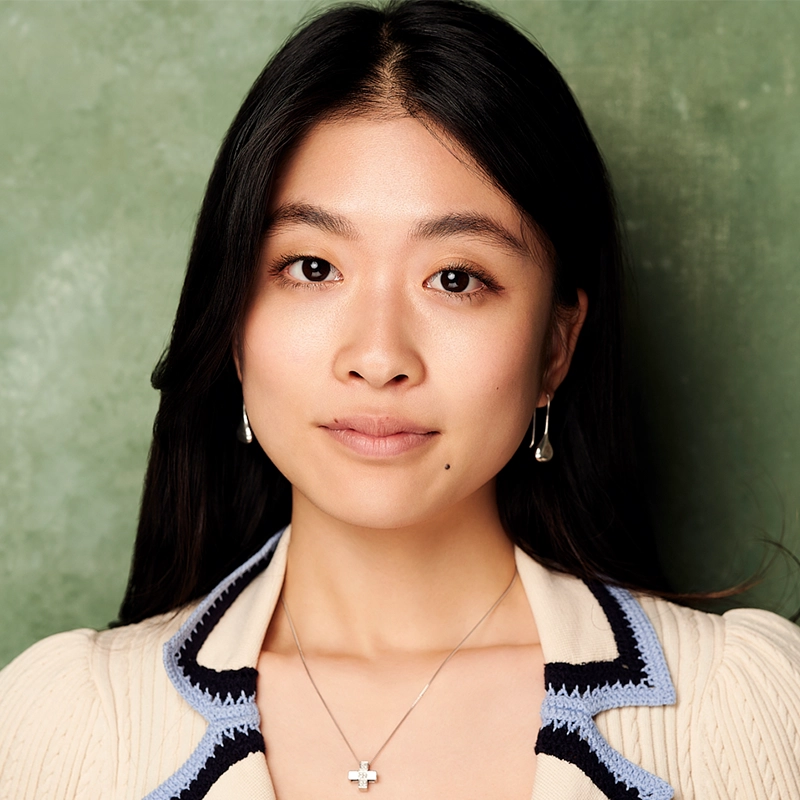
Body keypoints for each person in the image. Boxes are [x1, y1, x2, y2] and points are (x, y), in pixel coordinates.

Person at [1, 1, 799, 798]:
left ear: (555, 346)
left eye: (455, 279)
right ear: (234, 326)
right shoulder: (71, 726)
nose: (377, 357)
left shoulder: (738, 712)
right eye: (312, 268)